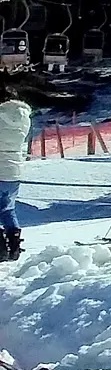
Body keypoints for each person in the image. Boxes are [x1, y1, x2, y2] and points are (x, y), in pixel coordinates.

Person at [0, 82, 30, 260]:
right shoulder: (25, 117)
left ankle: (1, 248)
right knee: (7, 208)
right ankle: (14, 244)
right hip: (14, 170)